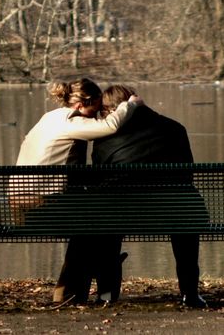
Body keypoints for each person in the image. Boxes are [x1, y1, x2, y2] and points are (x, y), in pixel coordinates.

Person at [12, 78, 141, 305]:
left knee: (91, 226)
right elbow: (110, 126)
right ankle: (87, 289)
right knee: (100, 225)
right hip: (41, 204)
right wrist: (128, 105)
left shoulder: (49, 117)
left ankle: (72, 293)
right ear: (82, 104)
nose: (98, 114)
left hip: (20, 202)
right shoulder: (72, 122)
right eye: (97, 107)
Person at [91, 84, 208, 308]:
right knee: (184, 215)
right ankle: (190, 294)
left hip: (122, 212)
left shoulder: (106, 138)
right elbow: (187, 173)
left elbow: (100, 179)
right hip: (175, 211)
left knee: (106, 220)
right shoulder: (175, 128)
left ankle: (106, 295)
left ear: (109, 111)